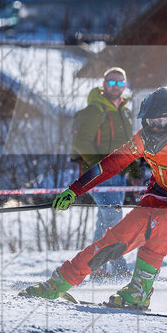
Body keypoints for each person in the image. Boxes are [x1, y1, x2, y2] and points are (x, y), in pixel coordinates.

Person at [22, 87, 167, 310]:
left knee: (164, 220)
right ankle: (58, 282)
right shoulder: (144, 139)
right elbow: (111, 164)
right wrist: (75, 190)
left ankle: (140, 290)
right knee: (112, 240)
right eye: (150, 121)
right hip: (156, 201)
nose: (154, 127)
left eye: (160, 121)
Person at [70, 67, 141, 277]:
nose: (115, 87)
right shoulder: (95, 109)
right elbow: (81, 142)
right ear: (103, 84)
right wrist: (100, 168)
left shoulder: (124, 112)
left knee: (105, 221)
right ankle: (119, 270)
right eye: (111, 82)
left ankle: (96, 268)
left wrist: (135, 173)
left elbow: (129, 146)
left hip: (118, 176)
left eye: (120, 83)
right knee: (114, 221)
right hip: (98, 176)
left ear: (125, 85)